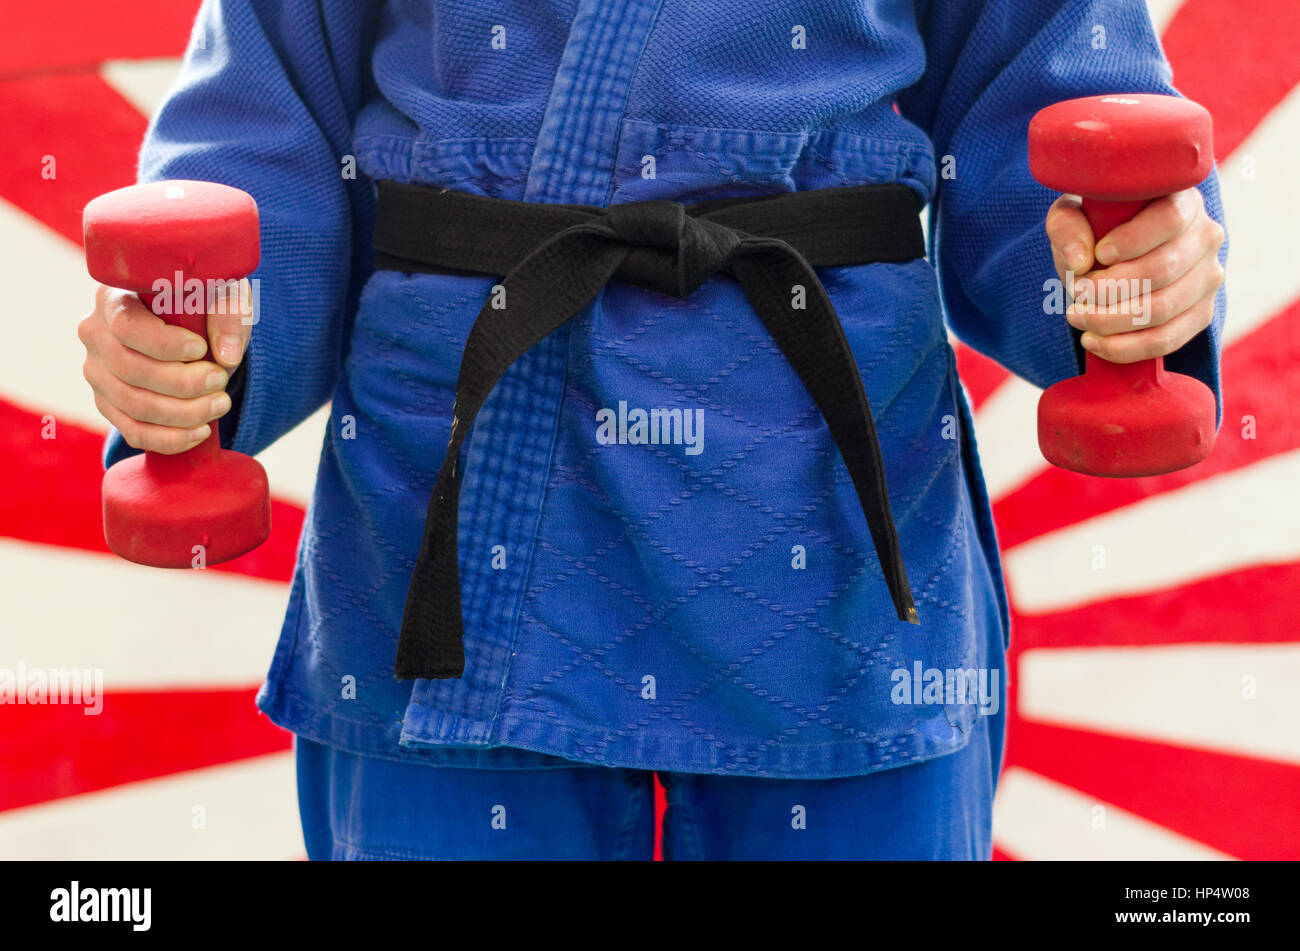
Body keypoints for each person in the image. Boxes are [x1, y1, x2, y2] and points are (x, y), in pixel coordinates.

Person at [76, 0, 1226, 860]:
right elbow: (266, 123)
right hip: (451, 526)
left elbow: (1052, 106)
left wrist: (1116, 278)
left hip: (825, 544)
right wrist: (205, 341)